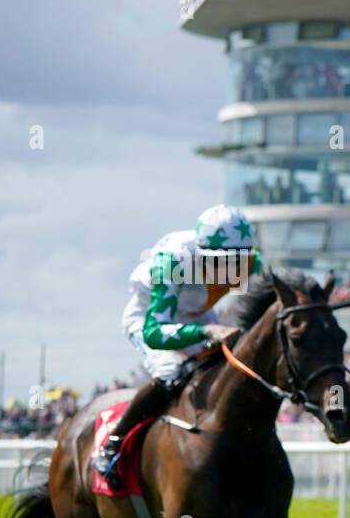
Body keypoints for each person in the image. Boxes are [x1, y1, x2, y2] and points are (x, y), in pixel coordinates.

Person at [90, 205, 258, 487]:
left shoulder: (252, 261)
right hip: (150, 318)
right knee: (170, 370)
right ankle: (114, 443)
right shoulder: (173, 261)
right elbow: (155, 332)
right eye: (222, 261)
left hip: (199, 314)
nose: (231, 271)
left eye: (237, 261)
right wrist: (206, 331)